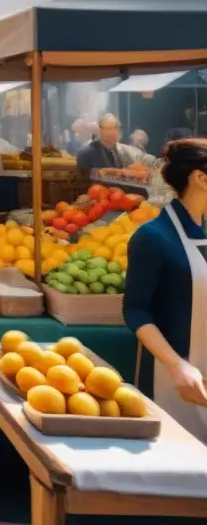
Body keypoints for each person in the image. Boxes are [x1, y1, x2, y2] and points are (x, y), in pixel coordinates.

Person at [124, 139, 207, 443]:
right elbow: (135, 310)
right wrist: (177, 366)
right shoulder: (152, 238)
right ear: (200, 178)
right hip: (171, 382)